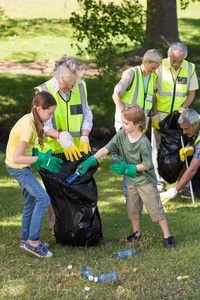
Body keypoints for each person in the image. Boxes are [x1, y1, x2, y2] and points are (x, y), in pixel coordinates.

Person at [76, 104, 175, 249]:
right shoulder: (121, 135)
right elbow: (106, 148)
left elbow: (147, 164)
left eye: (126, 123)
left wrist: (128, 167)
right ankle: (136, 233)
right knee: (132, 208)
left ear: (138, 124)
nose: (123, 126)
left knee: (155, 208)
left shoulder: (143, 143)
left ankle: (167, 235)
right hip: (131, 180)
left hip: (145, 181)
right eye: (122, 122)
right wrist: (91, 160)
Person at [34, 55, 93, 230]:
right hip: (51, 151)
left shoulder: (80, 87)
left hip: (76, 149)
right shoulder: (43, 91)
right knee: (55, 192)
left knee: (76, 188)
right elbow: (43, 124)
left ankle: (75, 226)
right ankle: (57, 228)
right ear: (57, 77)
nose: (71, 86)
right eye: (67, 83)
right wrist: (61, 138)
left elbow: (87, 113)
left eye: (74, 82)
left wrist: (84, 136)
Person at [5, 91, 63, 258]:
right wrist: (40, 158)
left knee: (31, 200)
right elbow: (18, 157)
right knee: (43, 198)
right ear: (38, 109)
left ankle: (25, 240)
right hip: (18, 167)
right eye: (49, 113)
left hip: (17, 165)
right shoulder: (28, 128)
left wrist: (37, 154)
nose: (51, 116)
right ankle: (33, 242)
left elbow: (22, 151)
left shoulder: (30, 118)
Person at [112, 49, 163, 202]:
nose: (155, 71)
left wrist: (152, 115)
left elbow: (151, 97)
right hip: (126, 126)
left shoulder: (152, 75)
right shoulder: (131, 74)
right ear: (145, 62)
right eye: (153, 67)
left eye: (156, 68)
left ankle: (139, 193)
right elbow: (116, 95)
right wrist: (126, 117)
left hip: (140, 125)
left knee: (140, 161)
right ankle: (130, 196)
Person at [151, 42, 199, 193]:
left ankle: (184, 186)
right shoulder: (158, 67)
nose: (177, 64)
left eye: (180, 61)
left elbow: (191, 93)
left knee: (182, 149)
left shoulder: (190, 68)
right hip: (161, 115)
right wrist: (154, 116)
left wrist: (182, 109)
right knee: (157, 148)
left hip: (180, 116)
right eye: (174, 60)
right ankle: (159, 183)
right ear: (168, 55)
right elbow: (152, 93)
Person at [160, 109, 200, 204]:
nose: (184, 132)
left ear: (196, 124)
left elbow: (192, 169)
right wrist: (191, 148)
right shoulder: (197, 119)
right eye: (182, 128)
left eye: (186, 129)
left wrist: (174, 190)